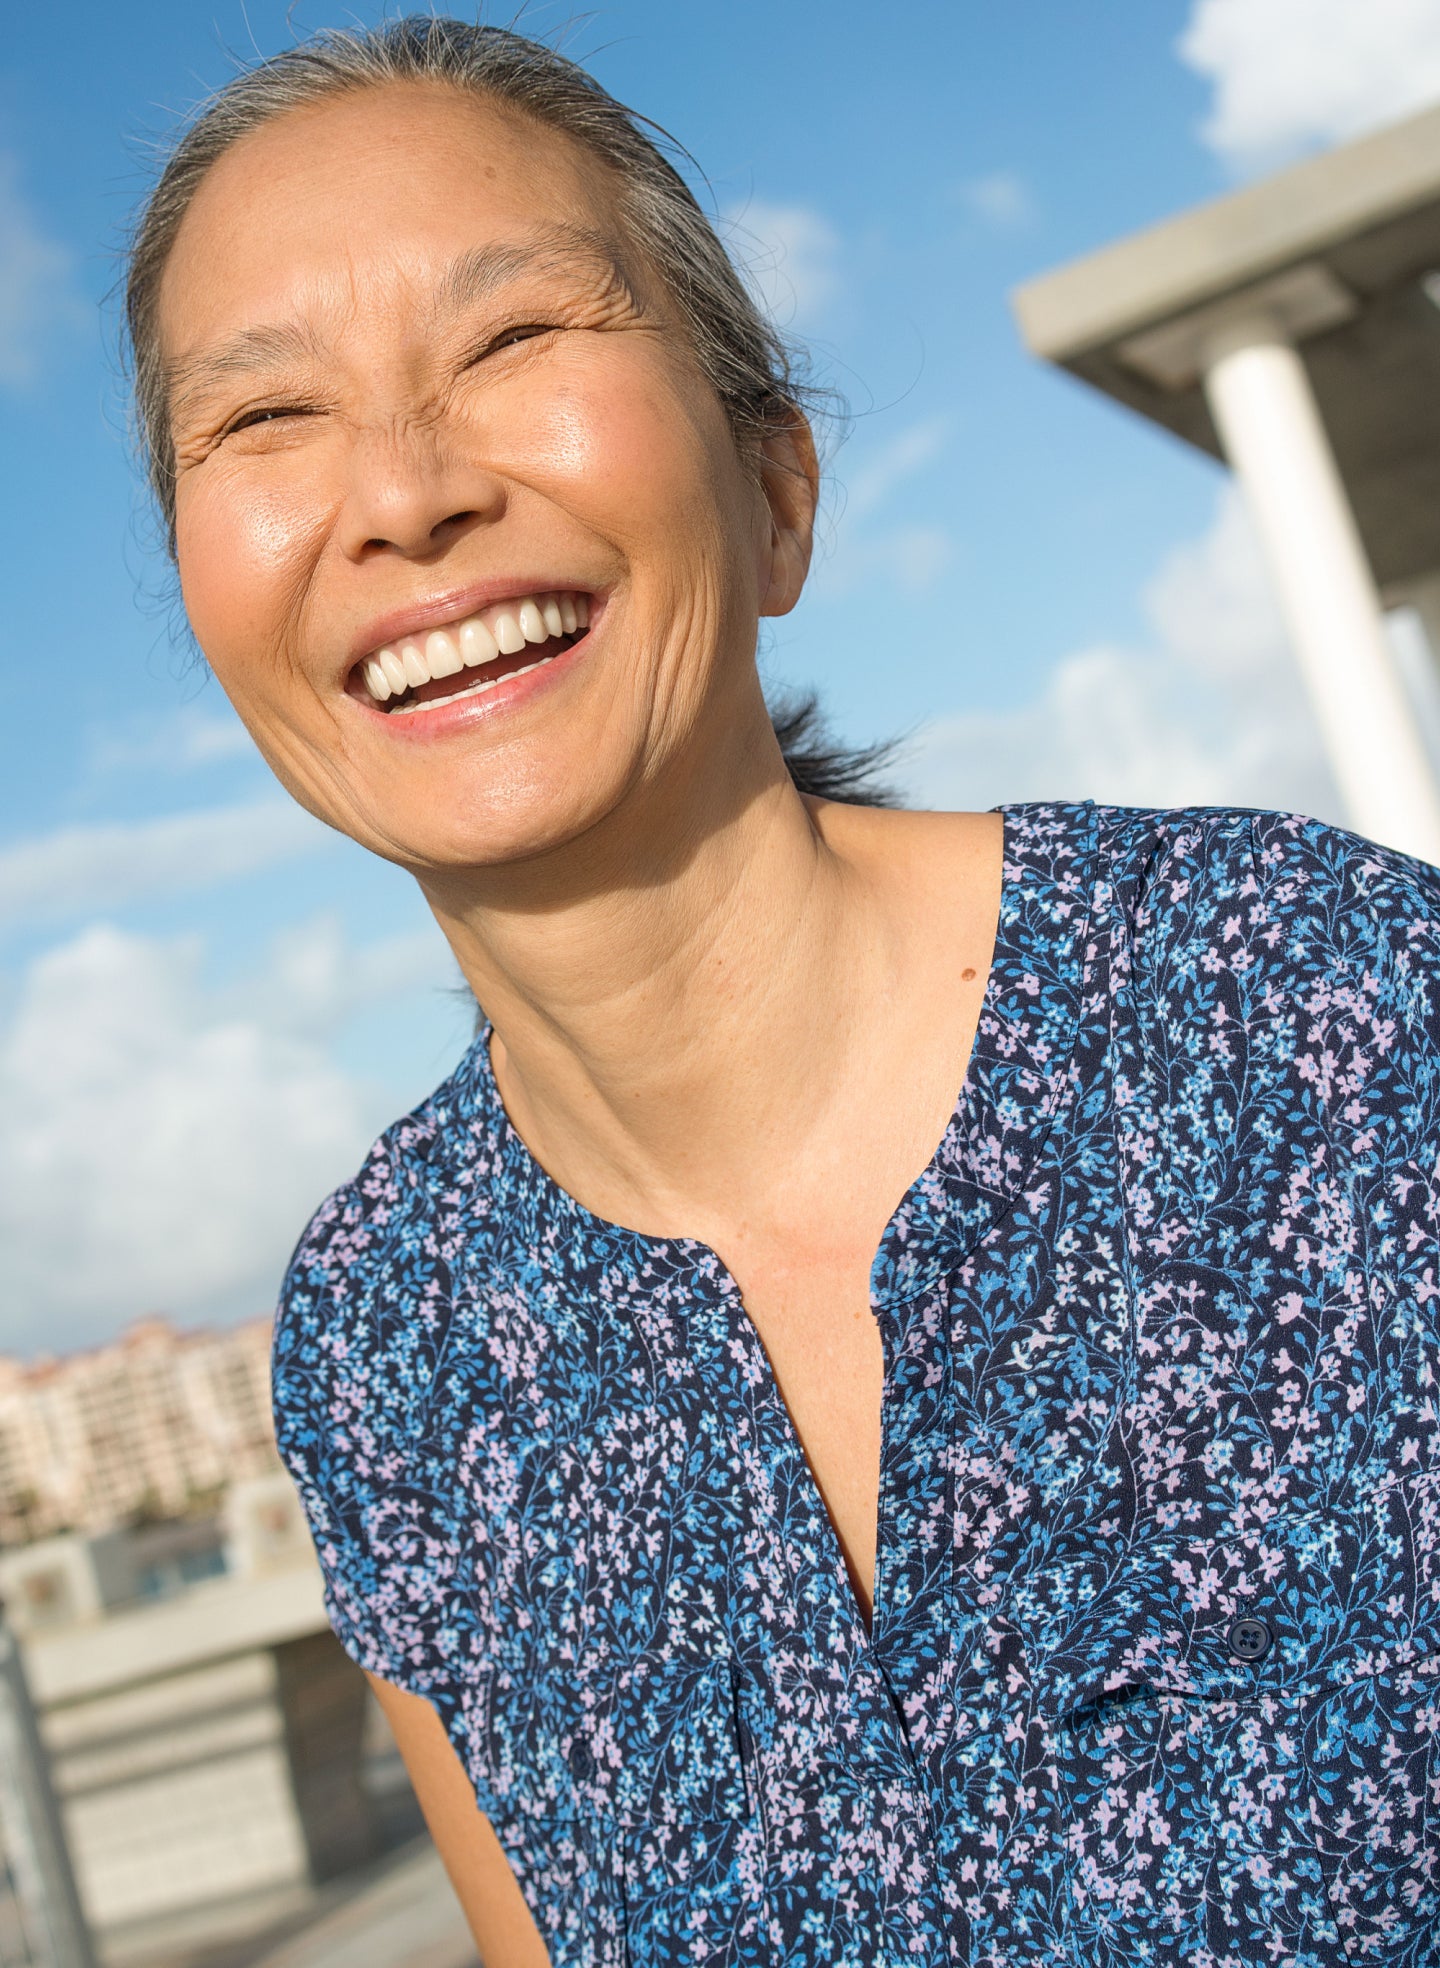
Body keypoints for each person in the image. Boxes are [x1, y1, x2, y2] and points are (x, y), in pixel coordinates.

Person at [124, 17, 1440, 1966]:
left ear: (778, 490)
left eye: (511, 341)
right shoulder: (382, 1337)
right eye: (263, 419)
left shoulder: (1321, 1019)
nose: (399, 498)